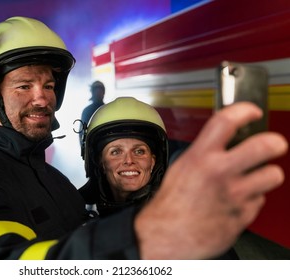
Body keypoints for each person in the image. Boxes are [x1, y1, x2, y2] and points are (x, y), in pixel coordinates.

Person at [0, 16, 288, 260]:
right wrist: (144, 235)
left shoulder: (52, 179)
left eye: (48, 85)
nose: (42, 98)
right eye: (23, 86)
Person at [80, 96, 290, 259]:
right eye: (116, 151)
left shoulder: (192, 227)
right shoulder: (74, 223)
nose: (129, 161)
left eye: (140, 151)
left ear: (154, 161)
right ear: (99, 162)